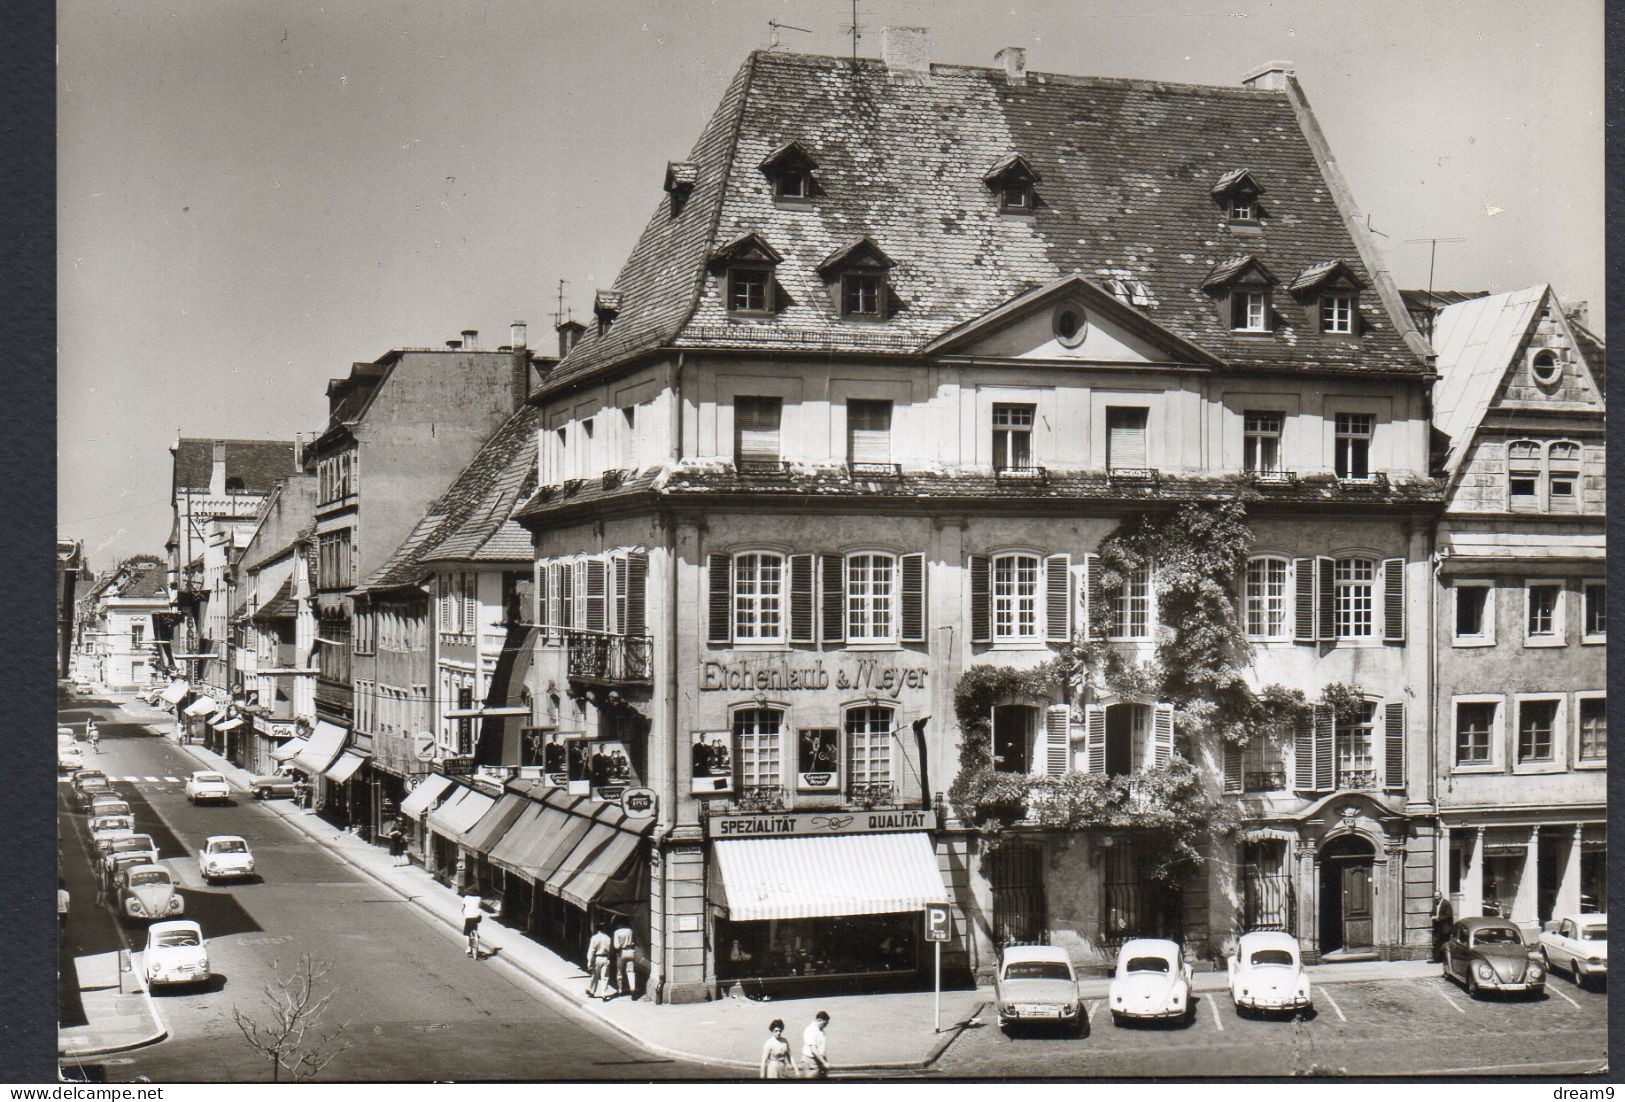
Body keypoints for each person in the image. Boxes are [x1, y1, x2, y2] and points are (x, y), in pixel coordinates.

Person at [585, 923, 614, 1000]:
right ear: (604, 929)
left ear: (597, 929)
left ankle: (592, 991)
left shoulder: (594, 938)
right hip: (606, 958)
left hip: (597, 958)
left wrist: (589, 961)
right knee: (605, 977)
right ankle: (604, 994)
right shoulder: (608, 938)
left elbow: (591, 950)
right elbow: (611, 950)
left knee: (595, 976)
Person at [611, 916, 637, 999]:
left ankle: (620, 990)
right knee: (630, 972)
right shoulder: (630, 931)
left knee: (619, 972)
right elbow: (633, 942)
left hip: (621, 952)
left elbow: (616, 945)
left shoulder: (617, 932)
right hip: (631, 952)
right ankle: (632, 988)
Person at [800, 1011, 830, 1079]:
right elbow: (813, 1049)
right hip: (810, 1062)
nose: (825, 1026)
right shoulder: (810, 1030)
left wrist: (825, 1061)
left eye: (826, 1024)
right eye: (824, 1024)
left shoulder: (821, 1030)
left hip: (819, 1061)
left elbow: (822, 1048)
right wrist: (824, 1063)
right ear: (819, 1020)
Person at [1430, 891, 1455, 963]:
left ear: (1441, 896)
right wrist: (1431, 915)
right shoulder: (1435, 903)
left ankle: (1445, 959)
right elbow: (1432, 912)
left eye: (1437, 896)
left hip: (1445, 927)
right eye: (1435, 896)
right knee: (1435, 942)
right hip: (1437, 927)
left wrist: (1438, 918)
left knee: (1444, 943)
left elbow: (1449, 915)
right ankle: (1437, 959)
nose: (1436, 898)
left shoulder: (1446, 903)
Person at [462, 891, 487, 958]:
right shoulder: (479, 898)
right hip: (476, 917)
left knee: (467, 933)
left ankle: (468, 949)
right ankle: (475, 931)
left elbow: (463, 906)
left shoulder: (466, 897)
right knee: (475, 923)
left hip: (468, 917)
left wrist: (463, 911)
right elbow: (480, 906)